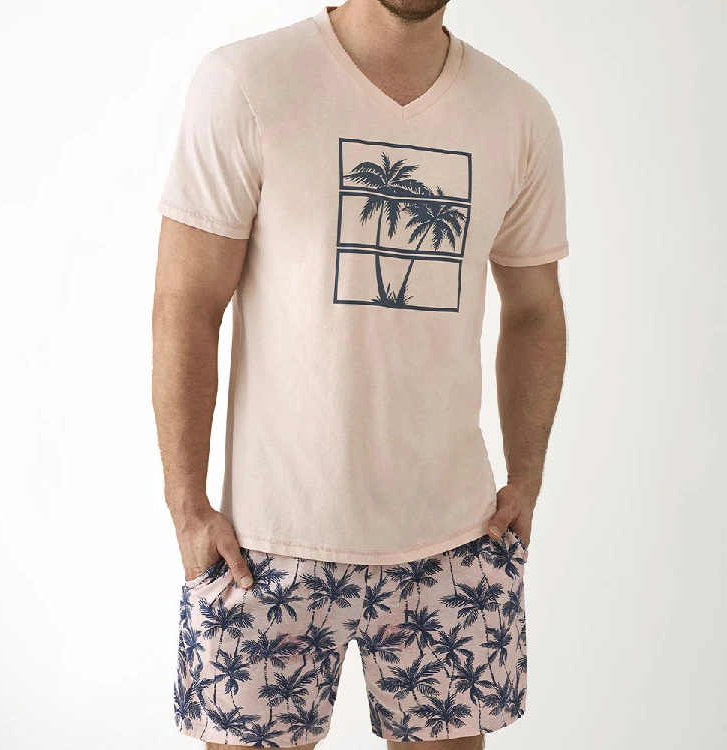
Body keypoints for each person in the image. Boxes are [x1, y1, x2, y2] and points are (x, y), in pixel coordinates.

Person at [153, 0, 569, 747]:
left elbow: (536, 308)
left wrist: (527, 478)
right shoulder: (247, 81)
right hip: (262, 549)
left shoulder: (517, 114)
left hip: (455, 545)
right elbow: (186, 304)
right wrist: (187, 508)